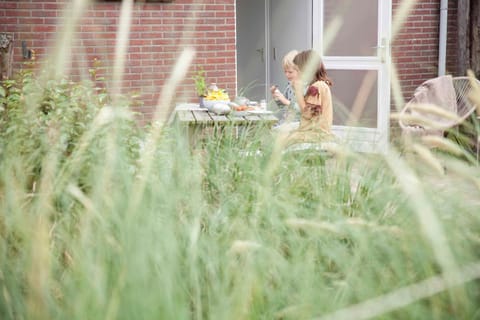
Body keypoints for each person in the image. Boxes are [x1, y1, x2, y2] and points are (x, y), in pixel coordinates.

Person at [283, 49, 334, 146]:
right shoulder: (320, 84)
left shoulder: (317, 87)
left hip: (316, 134)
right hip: (313, 132)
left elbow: (308, 114)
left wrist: (298, 91)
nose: (298, 74)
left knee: (281, 139)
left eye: (298, 70)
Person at [270, 50, 301, 131]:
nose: (287, 75)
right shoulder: (289, 85)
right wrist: (276, 97)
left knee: (273, 132)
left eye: (290, 72)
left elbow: (304, 110)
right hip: (286, 122)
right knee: (267, 129)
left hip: (298, 124)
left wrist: (285, 101)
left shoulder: (304, 87)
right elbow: (283, 107)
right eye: (285, 72)